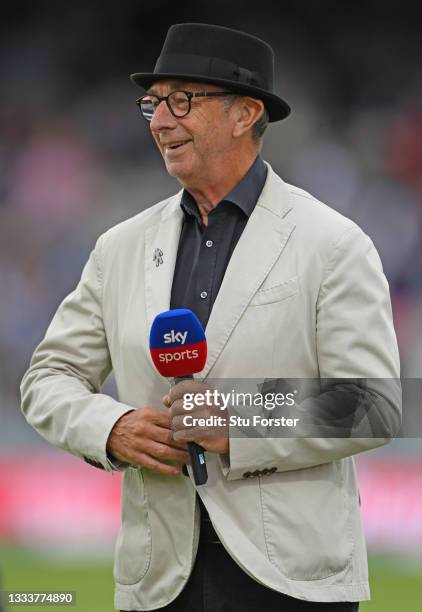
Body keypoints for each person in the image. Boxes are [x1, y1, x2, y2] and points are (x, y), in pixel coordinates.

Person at [20, 23, 401, 612]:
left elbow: (375, 403)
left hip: (291, 580)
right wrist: (112, 427)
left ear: (246, 113)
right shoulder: (119, 246)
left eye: (182, 101)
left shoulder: (333, 243)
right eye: (154, 103)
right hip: (158, 579)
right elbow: (47, 378)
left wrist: (242, 419)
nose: (160, 121)